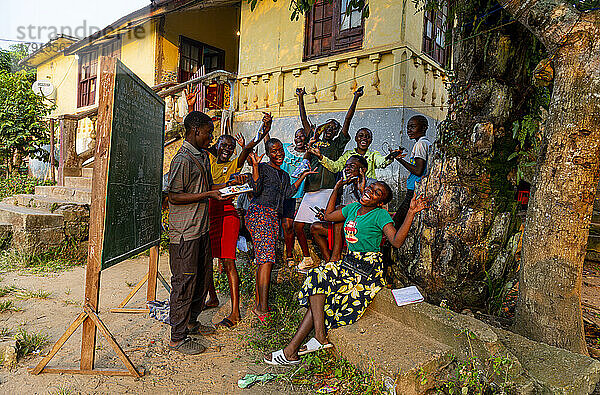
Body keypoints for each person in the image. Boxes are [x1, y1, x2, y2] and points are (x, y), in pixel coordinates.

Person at [264, 179, 427, 365]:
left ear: (380, 202)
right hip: (349, 263)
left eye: (377, 193)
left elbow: (396, 241)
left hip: (367, 270)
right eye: (371, 188)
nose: (370, 191)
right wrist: (336, 188)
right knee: (318, 276)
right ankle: (313, 339)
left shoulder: (380, 215)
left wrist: (411, 213)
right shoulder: (353, 208)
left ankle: (295, 348)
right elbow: (328, 216)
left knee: (321, 285)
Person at [166, 111, 245, 355]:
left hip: (200, 230)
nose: (211, 137)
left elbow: (208, 187)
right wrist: (209, 196)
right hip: (185, 234)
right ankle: (177, 337)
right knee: (184, 283)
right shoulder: (182, 160)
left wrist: (230, 185)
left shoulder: (200, 155)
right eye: (209, 133)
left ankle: (191, 323)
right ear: (195, 131)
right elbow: (174, 196)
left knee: (201, 280)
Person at [205, 113, 272, 328]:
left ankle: (235, 312)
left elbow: (248, 147)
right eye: (223, 145)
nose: (227, 149)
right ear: (216, 145)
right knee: (205, 260)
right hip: (207, 214)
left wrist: (264, 127)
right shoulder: (207, 159)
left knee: (228, 262)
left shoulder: (235, 165)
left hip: (226, 215)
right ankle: (213, 297)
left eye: (230, 147)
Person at [246, 138, 317, 323]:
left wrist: (302, 177)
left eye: (280, 151)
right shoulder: (261, 168)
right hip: (260, 213)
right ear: (268, 152)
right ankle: (262, 308)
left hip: (271, 216)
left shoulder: (284, 175)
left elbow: (287, 193)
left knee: (265, 260)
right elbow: (255, 189)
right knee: (267, 260)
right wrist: (254, 166)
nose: (279, 154)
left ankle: (259, 303)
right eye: (274, 151)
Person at [293, 86, 363, 272]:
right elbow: (303, 119)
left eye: (334, 128)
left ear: (338, 131)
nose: (330, 130)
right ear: (323, 129)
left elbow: (348, 119)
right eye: (328, 127)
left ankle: (330, 261)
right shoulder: (314, 140)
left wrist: (355, 97)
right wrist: (300, 97)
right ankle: (308, 258)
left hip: (328, 191)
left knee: (324, 225)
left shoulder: (338, 144)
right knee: (298, 225)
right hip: (311, 190)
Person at [310, 155, 376, 262]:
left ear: (363, 170)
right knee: (315, 227)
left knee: (340, 212)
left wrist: (362, 190)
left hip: (365, 226)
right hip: (348, 226)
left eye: (352, 166)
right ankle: (329, 262)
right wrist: (337, 188)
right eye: (346, 166)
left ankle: (334, 259)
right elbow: (345, 211)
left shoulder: (373, 185)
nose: (347, 169)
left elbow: (375, 210)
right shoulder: (348, 187)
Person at [308, 127, 403, 178]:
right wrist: (321, 157)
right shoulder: (348, 155)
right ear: (356, 139)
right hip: (351, 188)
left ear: (371, 140)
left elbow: (381, 162)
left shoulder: (374, 155)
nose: (364, 139)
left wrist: (391, 156)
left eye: (367, 136)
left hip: (368, 188)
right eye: (361, 136)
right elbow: (335, 167)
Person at [392, 115, 431, 228]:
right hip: (418, 187)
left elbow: (418, 170)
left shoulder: (420, 144)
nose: (409, 130)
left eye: (413, 127)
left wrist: (400, 160)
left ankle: (391, 243)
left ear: (424, 128)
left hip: (414, 188)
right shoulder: (425, 143)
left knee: (398, 220)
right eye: (408, 127)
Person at [280, 129, 309, 267]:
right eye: (296, 136)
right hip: (282, 193)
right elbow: (269, 145)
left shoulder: (309, 154)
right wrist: (266, 128)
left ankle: (291, 255)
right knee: (285, 225)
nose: (299, 139)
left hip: (298, 195)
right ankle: (288, 255)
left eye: (302, 136)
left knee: (291, 225)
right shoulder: (285, 148)